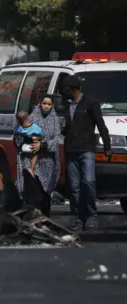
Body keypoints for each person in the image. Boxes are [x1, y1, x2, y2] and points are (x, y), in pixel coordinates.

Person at [62, 75, 111, 231]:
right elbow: (65, 128)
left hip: (87, 149)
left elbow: (101, 125)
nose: (64, 91)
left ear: (71, 88)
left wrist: (107, 146)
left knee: (88, 182)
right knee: (74, 187)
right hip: (71, 150)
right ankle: (78, 217)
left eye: (65, 88)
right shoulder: (66, 105)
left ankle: (91, 216)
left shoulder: (90, 102)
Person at [15, 96, 61, 216]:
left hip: (47, 160)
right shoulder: (32, 118)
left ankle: (45, 218)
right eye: (44, 103)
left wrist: (43, 145)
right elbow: (19, 135)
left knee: (45, 192)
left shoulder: (54, 120)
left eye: (49, 104)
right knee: (32, 191)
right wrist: (30, 141)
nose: (46, 106)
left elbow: (56, 139)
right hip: (29, 160)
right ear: (39, 103)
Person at [14, 110, 43, 179]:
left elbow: (16, 140)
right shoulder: (35, 127)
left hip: (22, 149)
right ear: (27, 117)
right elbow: (41, 136)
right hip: (32, 148)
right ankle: (32, 169)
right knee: (36, 155)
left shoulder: (18, 129)